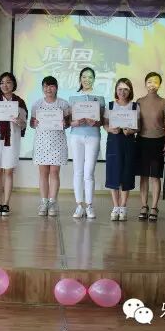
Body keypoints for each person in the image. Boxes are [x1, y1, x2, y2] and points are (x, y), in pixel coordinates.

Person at [0, 72, 28, 216]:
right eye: (2, 82)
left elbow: (24, 124)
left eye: (8, 82)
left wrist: (19, 121)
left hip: (12, 139)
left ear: (13, 84)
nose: (5, 85)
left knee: (9, 171)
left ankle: (6, 204)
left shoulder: (19, 102)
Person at [30, 76, 71, 217]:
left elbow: (68, 123)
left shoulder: (63, 104)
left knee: (54, 172)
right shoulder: (37, 104)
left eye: (51, 86)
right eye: (46, 86)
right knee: (43, 173)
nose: (48, 89)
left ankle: (52, 202)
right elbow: (31, 123)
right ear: (42, 88)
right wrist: (34, 123)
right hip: (41, 142)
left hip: (57, 142)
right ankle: (44, 202)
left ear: (56, 88)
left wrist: (65, 123)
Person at [69, 67, 105, 219]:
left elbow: (102, 121)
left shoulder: (100, 98)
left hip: (93, 137)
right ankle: (79, 205)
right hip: (76, 136)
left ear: (94, 79)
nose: (87, 80)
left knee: (89, 172)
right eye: (84, 77)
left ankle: (89, 205)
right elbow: (69, 121)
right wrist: (76, 122)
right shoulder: (73, 98)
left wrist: (95, 123)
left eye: (90, 77)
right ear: (80, 79)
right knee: (78, 171)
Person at [104, 78, 139, 221]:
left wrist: (131, 131)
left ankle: (123, 206)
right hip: (114, 142)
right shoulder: (110, 105)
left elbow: (138, 127)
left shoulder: (135, 106)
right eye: (120, 89)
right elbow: (105, 124)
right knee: (113, 173)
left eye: (125, 89)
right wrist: (110, 129)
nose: (122, 92)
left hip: (128, 142)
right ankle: (115, 206)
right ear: (116, 90)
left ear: (130, 91)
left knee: (127, 173)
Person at [136, 72, 165, 221]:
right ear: (145, 84)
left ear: (159, 85)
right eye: (149, 81)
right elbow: (135, 122)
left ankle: (154, 207)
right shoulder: (139, 101)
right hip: (142, 141)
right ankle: (144, 206)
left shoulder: (164, 102)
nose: (152, 84)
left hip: (158, 141)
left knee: (155, 176)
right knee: (143, 176)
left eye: (156, 82)